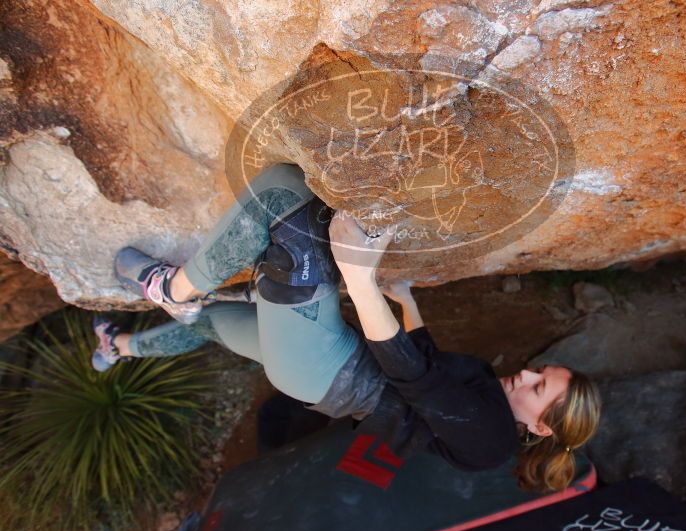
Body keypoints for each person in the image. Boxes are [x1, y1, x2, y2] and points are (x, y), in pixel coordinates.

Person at [94, 163, 601, 491]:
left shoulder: (490, 438)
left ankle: (171, 288)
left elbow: (415, 379)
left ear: (541, 427)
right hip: (320, 367)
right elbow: (429, 366)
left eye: (539, 389)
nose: (527, 375)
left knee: (287, 194)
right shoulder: (488, 405)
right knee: (211, 322)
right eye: (541, 371)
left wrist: (359, 277)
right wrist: (404, 301)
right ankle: (117, 347)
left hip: (324, 365)